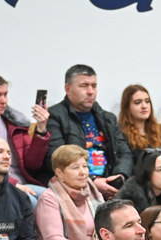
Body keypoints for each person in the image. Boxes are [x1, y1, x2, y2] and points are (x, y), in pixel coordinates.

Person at [46, 64, 133, 197]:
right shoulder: (55, 116)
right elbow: (56, 159)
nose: (90, 91)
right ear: (68, 89)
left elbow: (124, 153)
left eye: (94, 86)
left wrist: (119, 176)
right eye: (84, 86)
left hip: (109, 181)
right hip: (74, 186)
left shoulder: (108, 118)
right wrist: (92, 182)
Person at [117, 84, 161, 164]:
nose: (144, 106)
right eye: (138, 102)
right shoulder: (121, 136)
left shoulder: (160, 133)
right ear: (127, 107)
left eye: (147, 101)